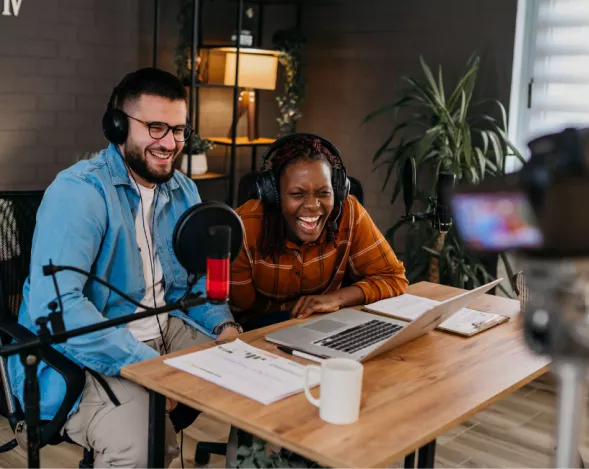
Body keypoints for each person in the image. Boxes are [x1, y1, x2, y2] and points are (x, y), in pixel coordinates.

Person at [7, 67, 243, 467]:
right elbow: (58, 308)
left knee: (251, 383)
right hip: (90, 346)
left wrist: (225, 328)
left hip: (166, 327)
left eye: (179, 130)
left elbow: (196, 282)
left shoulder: (184, 190)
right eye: (155, 127)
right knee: (146, 447)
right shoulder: (80, 192)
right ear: (117, 127)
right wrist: (146, 367)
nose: (170, 143)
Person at [229, 133, 408, 328]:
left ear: (337, 190)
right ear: (275, 195)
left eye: (324, 193)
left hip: (324, 324)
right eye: (297, 194)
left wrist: (336, 298)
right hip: (261, 329)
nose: (313, 206)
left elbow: (393, 278)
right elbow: (237, 307)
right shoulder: (244, 225)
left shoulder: (349, 212)